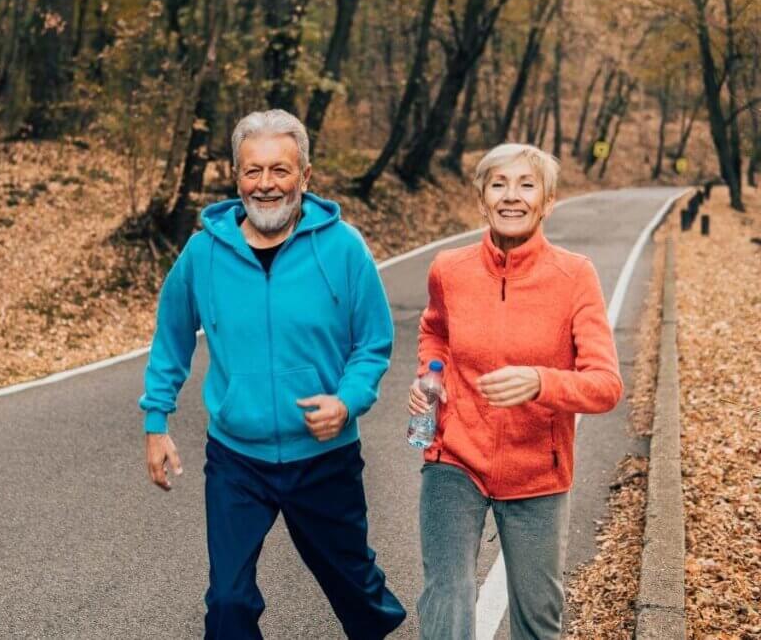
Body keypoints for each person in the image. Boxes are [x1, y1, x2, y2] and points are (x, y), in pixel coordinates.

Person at [139, 109, 406, 639]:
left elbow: (374, 342)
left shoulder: (343, 247)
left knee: (356, 588)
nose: (266, 185)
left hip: (323, 458)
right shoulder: (203, 253)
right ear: (236, 177)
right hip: (239, 459)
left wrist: (347, 400)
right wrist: (156, 421)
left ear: (304, 176)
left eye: (280, 170)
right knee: (229, 603)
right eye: (253, 171)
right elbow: (170, 338)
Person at [408, 143, 623, 639]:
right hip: (454, 457)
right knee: (447, 596)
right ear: (482, 200)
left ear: (547, 201)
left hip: (537, 471)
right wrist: (431, 375)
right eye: (498, 185)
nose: (511, 196)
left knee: (537, 616)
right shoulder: (449, 269)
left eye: (526, 185)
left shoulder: (575, 277)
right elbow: (434, 330)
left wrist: (541, 382)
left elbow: (607, 385)